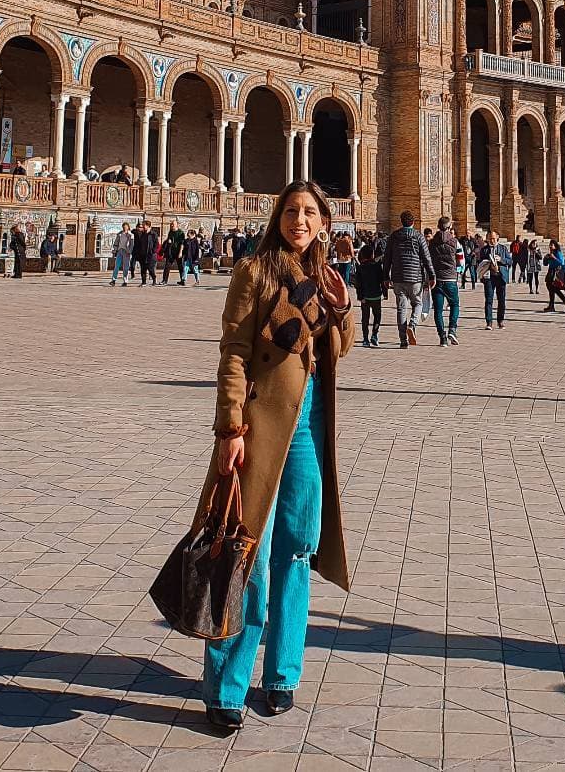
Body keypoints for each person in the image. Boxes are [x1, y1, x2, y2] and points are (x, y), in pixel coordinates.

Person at [196, 180, 353, 731]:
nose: (300, 221)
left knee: (296, 552)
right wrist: (231, 426)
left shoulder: (327, 278)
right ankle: (227, 686)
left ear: (324, 222)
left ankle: (283, 673)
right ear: (277, 217)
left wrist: (339, 308)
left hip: (308, 430)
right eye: (292, 211)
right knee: (246, 556)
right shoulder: (255, 272)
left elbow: (337, 352)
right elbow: (234, 352)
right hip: (261, 427)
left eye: (310, 213)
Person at [381, 210, 435, 349]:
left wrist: (385, 276)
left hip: (398, 277)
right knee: (418, 304)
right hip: (415, 277)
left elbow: (387, 258)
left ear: (401, 221)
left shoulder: (394, 236)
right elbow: (426, 258)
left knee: (401, 308)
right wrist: (432, 275)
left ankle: (403, 340)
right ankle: (412, 324)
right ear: (413, 222)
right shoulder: (418, 236)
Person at [428, 217, 460, 346]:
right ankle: (452, 329)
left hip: (437, 278)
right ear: (449, 226)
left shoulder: (432, 242)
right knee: (455, 304)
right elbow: (460, 260)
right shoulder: (454, 242)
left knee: (438, 310)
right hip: (450, 278)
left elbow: (428, 260)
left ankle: (442, 337)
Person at [478, 232, 511, 330]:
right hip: (489, 277)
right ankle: (489, 322)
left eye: (493, 238)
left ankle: (500, 321)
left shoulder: (503, 248)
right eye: (489, 239)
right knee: (488, 300)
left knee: (501, 300)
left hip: (501, 276)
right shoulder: (484, 250)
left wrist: (501, 259)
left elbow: (510, 261)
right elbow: (480, 263)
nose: (491, 240)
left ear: (497, 238)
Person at [353, 243, 383, 347]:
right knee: (377, 316)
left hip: (365, 297)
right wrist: (385, 292)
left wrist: (360, 296)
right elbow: (381, 280)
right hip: (376, 295)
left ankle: (365, 339)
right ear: (372, 255)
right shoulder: (377, 266)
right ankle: (374, 335)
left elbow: (358, 284)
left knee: (365, 318)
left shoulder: (361, 267)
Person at [543, 240, 565, 312]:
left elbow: (561, 262)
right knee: (551, 288)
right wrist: (546, 258)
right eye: (550, 245)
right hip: (550, 271)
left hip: (556, 272)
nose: (550, 246)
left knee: (552, 287)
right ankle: (562, 302)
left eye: (552, 245)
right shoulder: (551, 253)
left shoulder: (558, 253)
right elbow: (545, 264)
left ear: (555, 246)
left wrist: (554, 257)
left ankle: (557, 303)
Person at [162, 219, 185, 284]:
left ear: (177, 225)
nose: (171, 226)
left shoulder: (181, 233)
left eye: (173, 225)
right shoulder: (170, 232)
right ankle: (164, 280)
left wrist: (180, 252)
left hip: (178, 252)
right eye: (171, 225)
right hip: (171, 252)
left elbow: (182, 243)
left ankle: (182, 280)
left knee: (180, 267)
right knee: (167, 266)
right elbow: (168, 240)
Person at [110, 222, 133, 287]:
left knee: (126, 267)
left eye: (126, 227)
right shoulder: (119, 234)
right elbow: (116, 243)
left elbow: (131, 245)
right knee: (116, 266)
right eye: (123, 227)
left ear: (128, 227)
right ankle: (113, 280)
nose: (125, 228)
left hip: (126, 252)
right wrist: (115, 251)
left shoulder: (131, 235)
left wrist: (130, 252)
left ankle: (125, 281)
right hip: (120, 251)